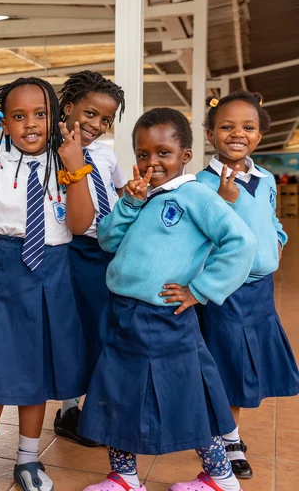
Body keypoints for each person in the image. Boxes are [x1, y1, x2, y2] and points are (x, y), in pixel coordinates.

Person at [80, 108, 256, 491]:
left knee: (182, 393)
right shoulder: (143, 195)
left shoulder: (196, 196)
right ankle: (125, 475)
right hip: (123, 311)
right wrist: (128, 204)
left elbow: (241, 243)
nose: (152, 162)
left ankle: (220, 475)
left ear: (185, 155)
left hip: (161, 316)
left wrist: (200, 290)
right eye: (143, 154)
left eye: (163, 153)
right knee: (118, 392)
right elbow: (108, 240)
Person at [0, 77, 94, 491]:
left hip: (52, 272)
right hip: (1, 272)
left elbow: (80, 223)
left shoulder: (69, 164)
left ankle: (28, 462)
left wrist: (75, 163)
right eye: (18, 116)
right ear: (5, 123)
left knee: (38, 374)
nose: (30, 123)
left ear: (55, 117)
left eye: (40, 114)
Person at [196, 91, 299, 479]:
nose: (237, 134)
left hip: (260, 291)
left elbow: (270, 219)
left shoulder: (266, 178)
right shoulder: (202, 185)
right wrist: (224, 201)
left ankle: (226, 434)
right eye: (226, 126)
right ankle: (230, 441)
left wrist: (278, 241)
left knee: (245, 365)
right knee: (229, 367)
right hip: (226, 290)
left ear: (258, 135)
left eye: (248, 127)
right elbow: (203, 237)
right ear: (210, 134)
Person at [55, 71, 127, 446]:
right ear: (67, 108)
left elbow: (116, 194)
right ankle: (69, 409)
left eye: (105, 119)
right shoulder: (54, 152)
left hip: (109, 249)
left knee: (104, 328)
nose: (97, 125)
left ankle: (95, 407)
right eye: (90, 114)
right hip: (74, 248)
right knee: (76, 328)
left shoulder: (104, 152)